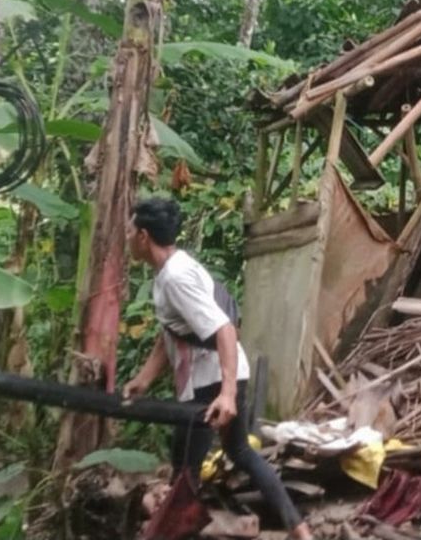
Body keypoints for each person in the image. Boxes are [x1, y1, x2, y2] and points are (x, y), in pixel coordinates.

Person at [122, 197, 313, 540]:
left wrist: (225, 394)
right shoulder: (172, 271)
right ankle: (300, 531)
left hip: (210, 383)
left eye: (129, 230)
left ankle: (174, 532)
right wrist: (144, 379)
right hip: (224, 373)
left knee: (185, 472)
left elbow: (223, 328)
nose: (126, 236)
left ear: (143, 236)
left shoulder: (175, 278)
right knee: (238, 451)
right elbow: (172, 333)